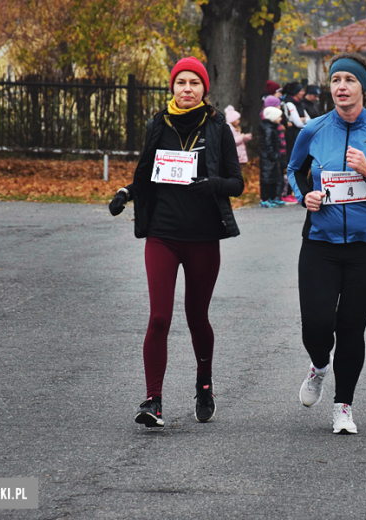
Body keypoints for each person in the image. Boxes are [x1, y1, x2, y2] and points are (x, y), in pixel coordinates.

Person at [108, 57, 244, 428]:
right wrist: (126, 193)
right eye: (180, 82)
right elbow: (146, 175)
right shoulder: (159, 124)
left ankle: (204, 386)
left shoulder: (218, 127)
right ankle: (153, 400)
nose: (187, 89)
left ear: (204, 89)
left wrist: (212, 184)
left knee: (197, 316)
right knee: (158, 317)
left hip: (202, 237)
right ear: (172, 87)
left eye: (194, 83)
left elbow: (237, 182)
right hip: (163, 235)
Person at [286, 52, 366, 434]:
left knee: (351, 327)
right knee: (316, 324)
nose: (341, 86)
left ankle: (343, 406)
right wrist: (306, 195)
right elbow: (294, 170)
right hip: (320, 242)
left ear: (362, 87)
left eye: (349, 80)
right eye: (336, 80)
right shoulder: (314, 129)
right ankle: (319, 366)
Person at [259, 105, 283, 208]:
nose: (280, 119)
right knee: (267, 178)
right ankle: (265, 198)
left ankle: (272, 197)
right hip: (268, 158)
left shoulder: (272, 128)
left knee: (274, 178)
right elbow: (268, 145)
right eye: (279, 117)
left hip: (271, 158)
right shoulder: (269, 130)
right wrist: (273, 156)